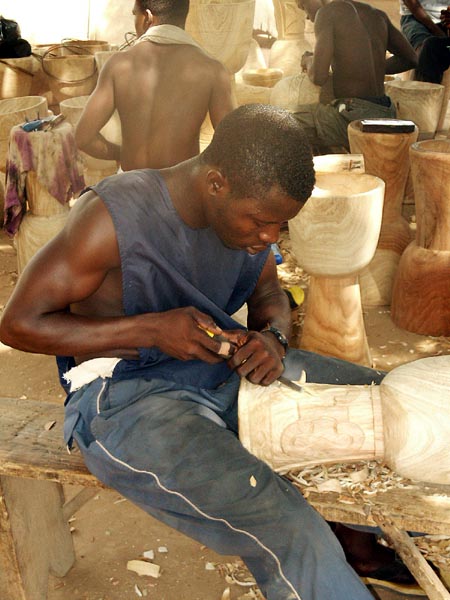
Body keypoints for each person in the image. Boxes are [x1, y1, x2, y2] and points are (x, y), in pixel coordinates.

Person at [1, 104, 394, 600]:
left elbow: (270, 295)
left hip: (221, 369)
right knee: (285, 525)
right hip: (125, 398)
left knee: (381, 397)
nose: (271, 238)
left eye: (281, 227)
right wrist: (150, 330)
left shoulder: (246, 219)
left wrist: (272, 338)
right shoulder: (114, 216)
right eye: (262, 222)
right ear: (216, 184)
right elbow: (18, 325)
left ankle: (360, 546)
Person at [74, 0, 236, 171]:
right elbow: (231, 145)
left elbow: (83, 138)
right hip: (180, 191)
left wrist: (120, 154)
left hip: (128, 188)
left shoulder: (118, 64)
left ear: (148, 17)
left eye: (135, 15)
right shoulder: (212, 69)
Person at [292, 0, 418, 152]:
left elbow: (319, 76)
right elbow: (411, 59)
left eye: (303, 6)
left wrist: (308, 61)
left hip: (354, 117)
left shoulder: (327, 13)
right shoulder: (377, 15)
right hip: (386, 111)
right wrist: (368, 66)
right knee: (324, 116)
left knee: (286, 122)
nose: (306, 17)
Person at [400, 0, 450, 84]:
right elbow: (412, 3)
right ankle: (422, 93)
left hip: (446, 17)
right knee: (428, 48)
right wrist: (439, 33)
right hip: (415, 18)